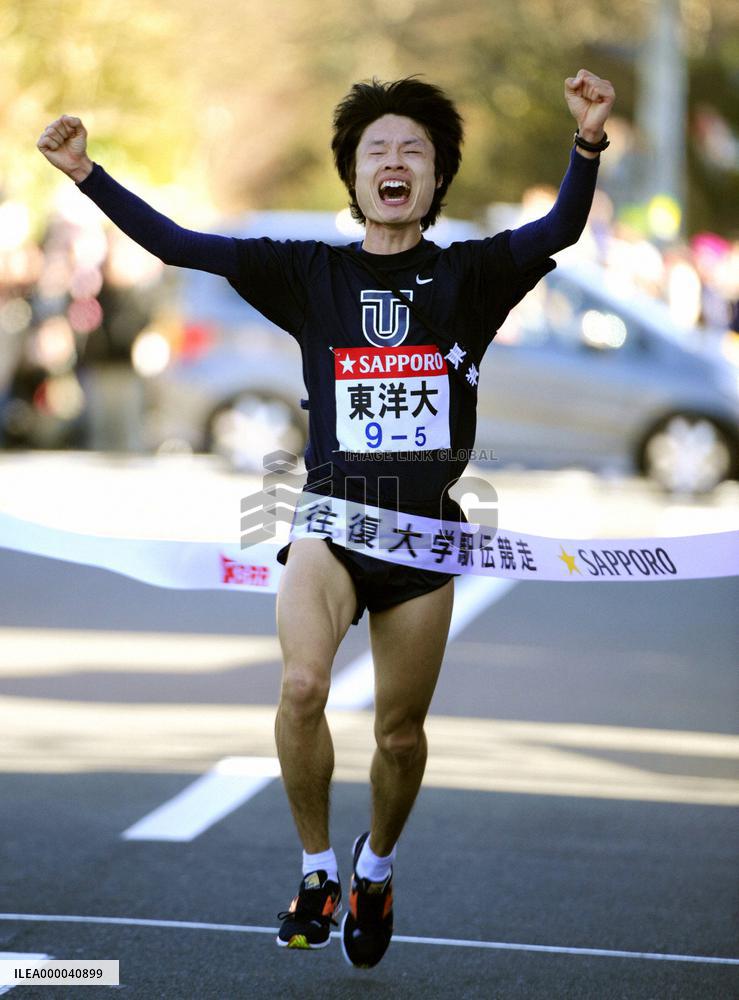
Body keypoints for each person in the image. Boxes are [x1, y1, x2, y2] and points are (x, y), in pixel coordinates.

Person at [38, 67, 615, 968]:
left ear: (434, 179)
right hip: (330, 524)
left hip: (424, 538)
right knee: (302, 687)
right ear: (351, 178)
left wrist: (585, 141)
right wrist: (86, 174)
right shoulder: (309, 271)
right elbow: (181, 244)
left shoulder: (470, 274)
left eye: (411, 151)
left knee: (398, 734)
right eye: (375, 150)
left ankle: (375, 867)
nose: (393, 163)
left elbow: (560, 229)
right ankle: (316, 871)